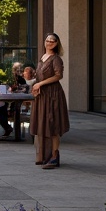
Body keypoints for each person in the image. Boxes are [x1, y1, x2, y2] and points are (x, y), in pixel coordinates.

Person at [30, 33, 69, 169]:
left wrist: (40, 84)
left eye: (53, 41)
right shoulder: (42, 58)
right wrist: (35, 86)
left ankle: (54, 156)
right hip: (42, 95)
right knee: (43, 124)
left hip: (53, 95)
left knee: (53, 125)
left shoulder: (56, 59)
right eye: (48, 40)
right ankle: (44, 156)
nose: (49, 42)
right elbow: (39, 77)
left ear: (57, 43)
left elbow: (59, 75)